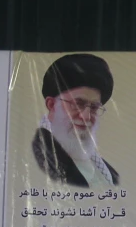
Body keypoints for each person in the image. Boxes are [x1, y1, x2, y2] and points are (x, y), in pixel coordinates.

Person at [32, 53, 119, 187]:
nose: (86, 117)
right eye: (78, 104)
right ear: (52, 105)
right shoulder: (38, 157)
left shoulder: (109, 173)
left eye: (94, 107)